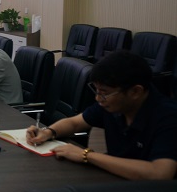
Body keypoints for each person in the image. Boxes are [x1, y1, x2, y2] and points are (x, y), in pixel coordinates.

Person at [26, 50, 177, 180]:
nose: (98, 98)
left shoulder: (168, 115)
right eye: (96, 91)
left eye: (104, 93)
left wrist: (86, 155)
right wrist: (48, 132)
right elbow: (75, 123)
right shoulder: (112, 104)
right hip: (117, 180)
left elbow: (160, 173)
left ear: (135, 91)